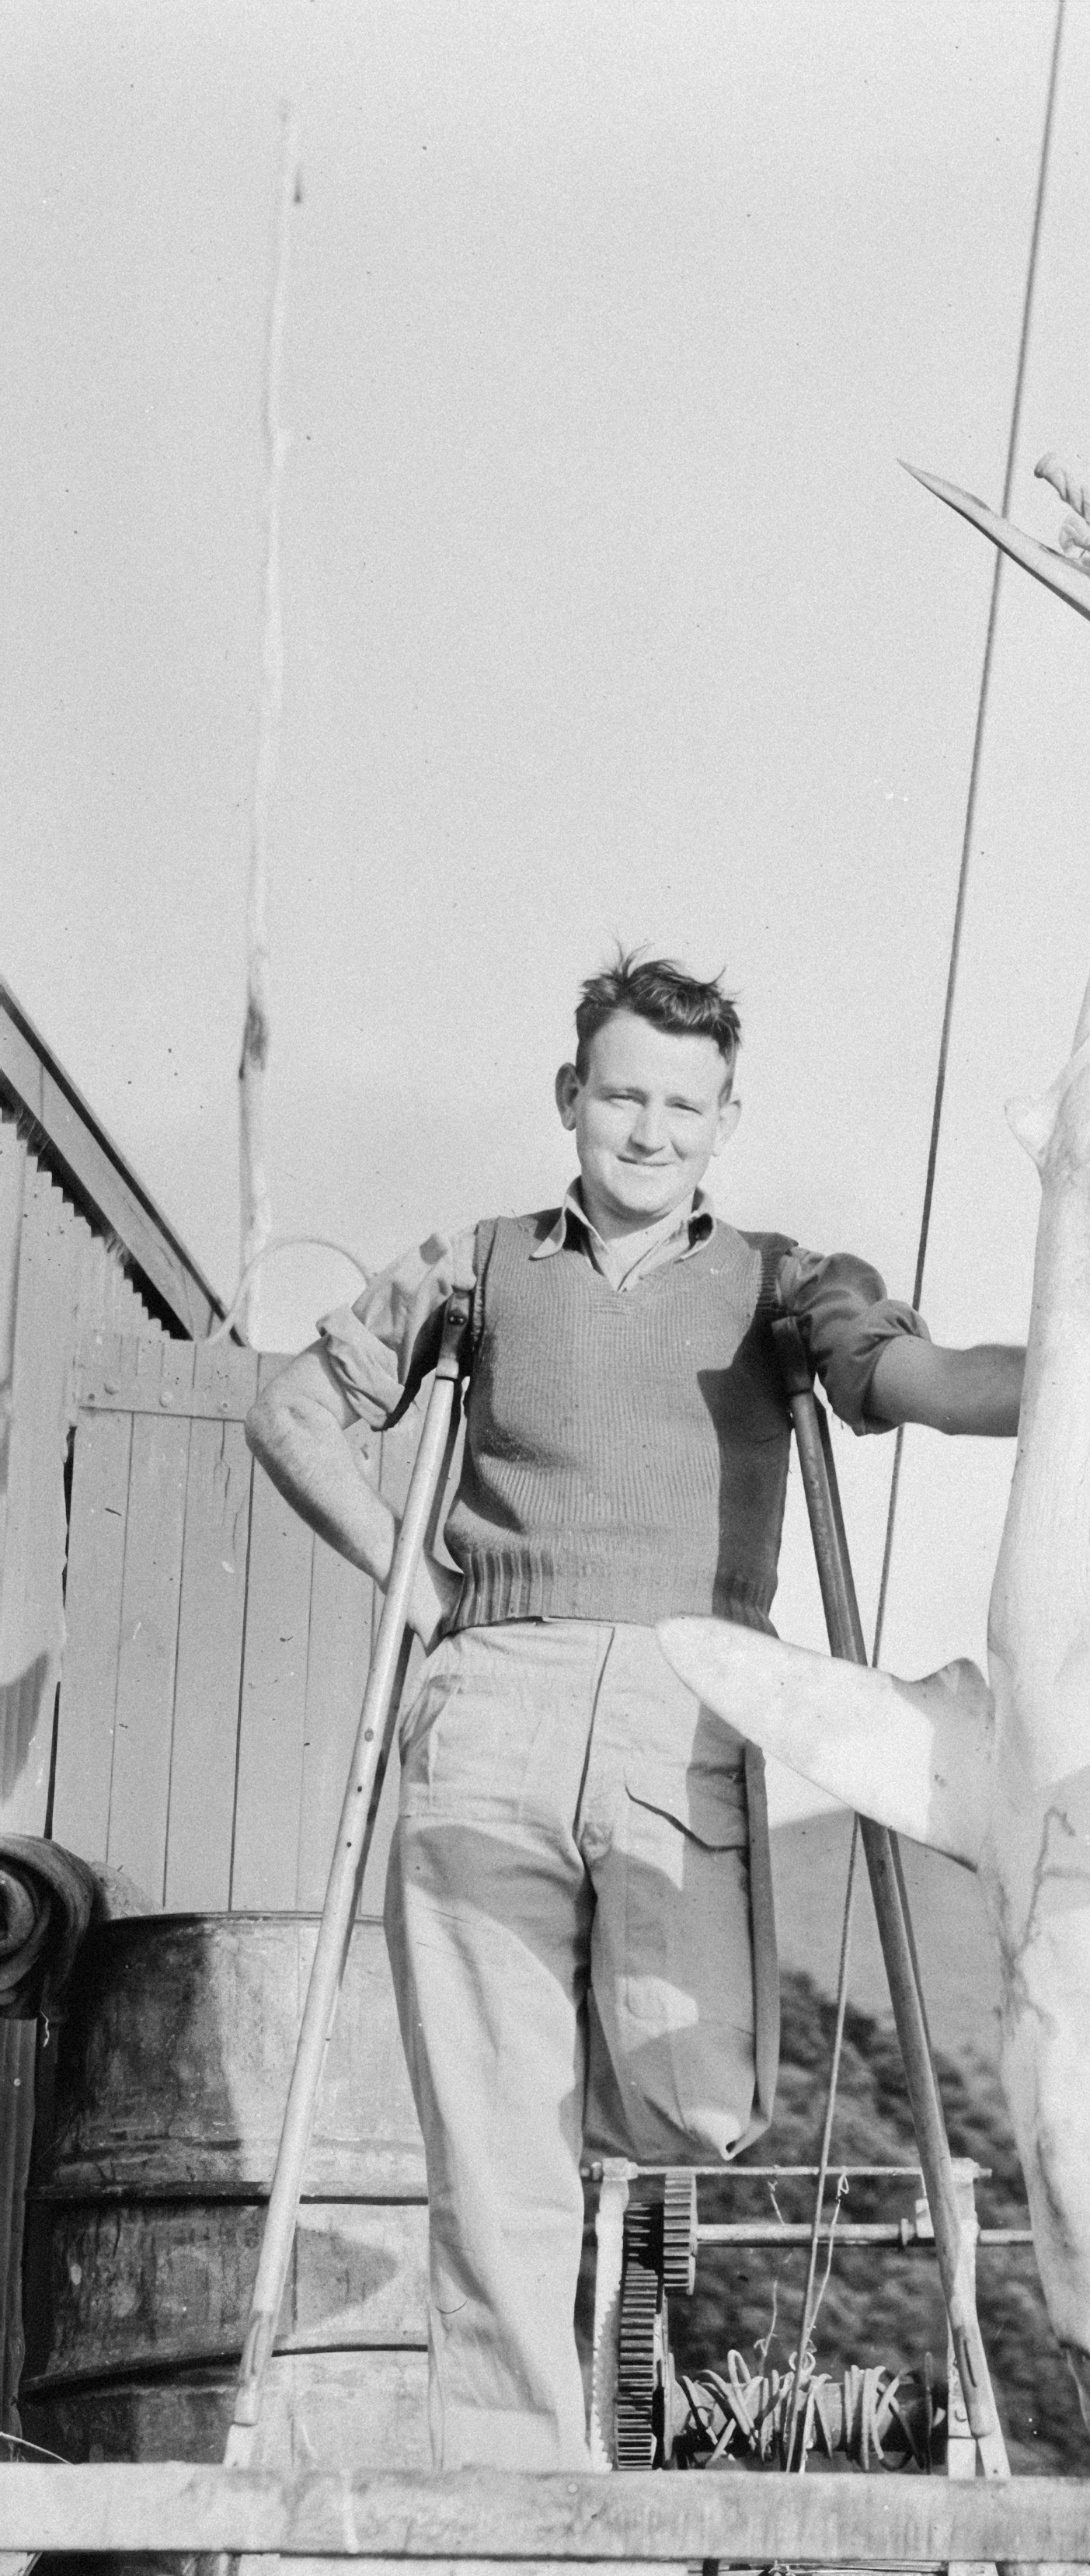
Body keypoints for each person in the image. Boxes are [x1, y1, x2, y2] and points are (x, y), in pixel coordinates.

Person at [246, 952, 1022, 2469]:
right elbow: (295, 1408)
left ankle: (616, 2289)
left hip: (689, 1703)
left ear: (727, 1120)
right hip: (491, 1707)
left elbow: (899, 1369)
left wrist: (1047, 1383)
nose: (649, 1130)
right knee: (492, 2149)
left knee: (697, 2096)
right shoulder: (480, 1261)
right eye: (621, 1094)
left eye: (684, 1103)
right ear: (569, 1098)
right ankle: (515, 2515)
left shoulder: (783, 1277)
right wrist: (418, 1607)